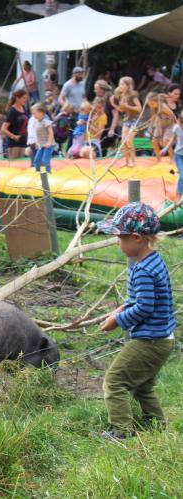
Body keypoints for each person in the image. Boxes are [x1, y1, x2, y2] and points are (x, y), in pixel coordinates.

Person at [98, 202, 175, 441]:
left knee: (115, 381)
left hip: (150, 340)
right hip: (162, 338)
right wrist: (122, 307)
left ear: (136, 238)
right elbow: (142, 298)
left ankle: (121, 432)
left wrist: (117, 321)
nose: (117, 243)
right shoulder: (154, 260)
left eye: (120, 238)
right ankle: (156, 425)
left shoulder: (142, 270)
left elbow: (144, 307)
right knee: (142, 385)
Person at [111, 76, 142, 167]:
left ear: (128, 85)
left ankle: (133, 161)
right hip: (127, 119)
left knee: (129, 140)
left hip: (135, 120)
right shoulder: (122, 96)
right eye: (120, 84)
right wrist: (113, 104)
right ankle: (126, 162)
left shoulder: (133, 95)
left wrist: (127, 106)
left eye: (123, 84)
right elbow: (121, 110)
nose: (121, 86)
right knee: (123, 141)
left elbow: (139, 109)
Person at [147, 92, 176, 163]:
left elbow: (173, 115)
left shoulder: (164, 107)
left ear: (157, 102)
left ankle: (172, 159)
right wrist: (150, 126)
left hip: (169, 125)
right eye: (149, 104)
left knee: (166, 141)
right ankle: (158, 159)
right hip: (160, 124)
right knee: (154, 141)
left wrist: (178, 126)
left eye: (152, 104)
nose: (150, 105)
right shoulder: (153, 107)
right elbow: (153, 116)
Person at [1, 89, 29, 159]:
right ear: (17, 98)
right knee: (14, 165)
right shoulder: (12, 111)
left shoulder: (23, 108)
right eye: (24, 98)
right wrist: (13, 136)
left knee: (20, 165)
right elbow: (3, 128)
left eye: (26, 98)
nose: (25, 100)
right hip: (14, 143)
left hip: (23, 140)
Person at [28, 103, 55, 173]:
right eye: (33, 114)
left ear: (41, 113)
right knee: (36, 160)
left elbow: (51, 133)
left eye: (35, 113)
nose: (33, 115)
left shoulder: (46, 122)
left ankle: (48, 172)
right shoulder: (36, 123)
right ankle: (37, 172)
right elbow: (37, 134)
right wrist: (37, 142)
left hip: (48, 144)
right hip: (41, 144)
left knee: (45, 160)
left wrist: (49, 142)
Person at [161, 113, 183, 198]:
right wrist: (165, 148)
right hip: (179, 155)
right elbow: (172, 139)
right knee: (182, 175)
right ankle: (179, 195)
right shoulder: (177, 128)